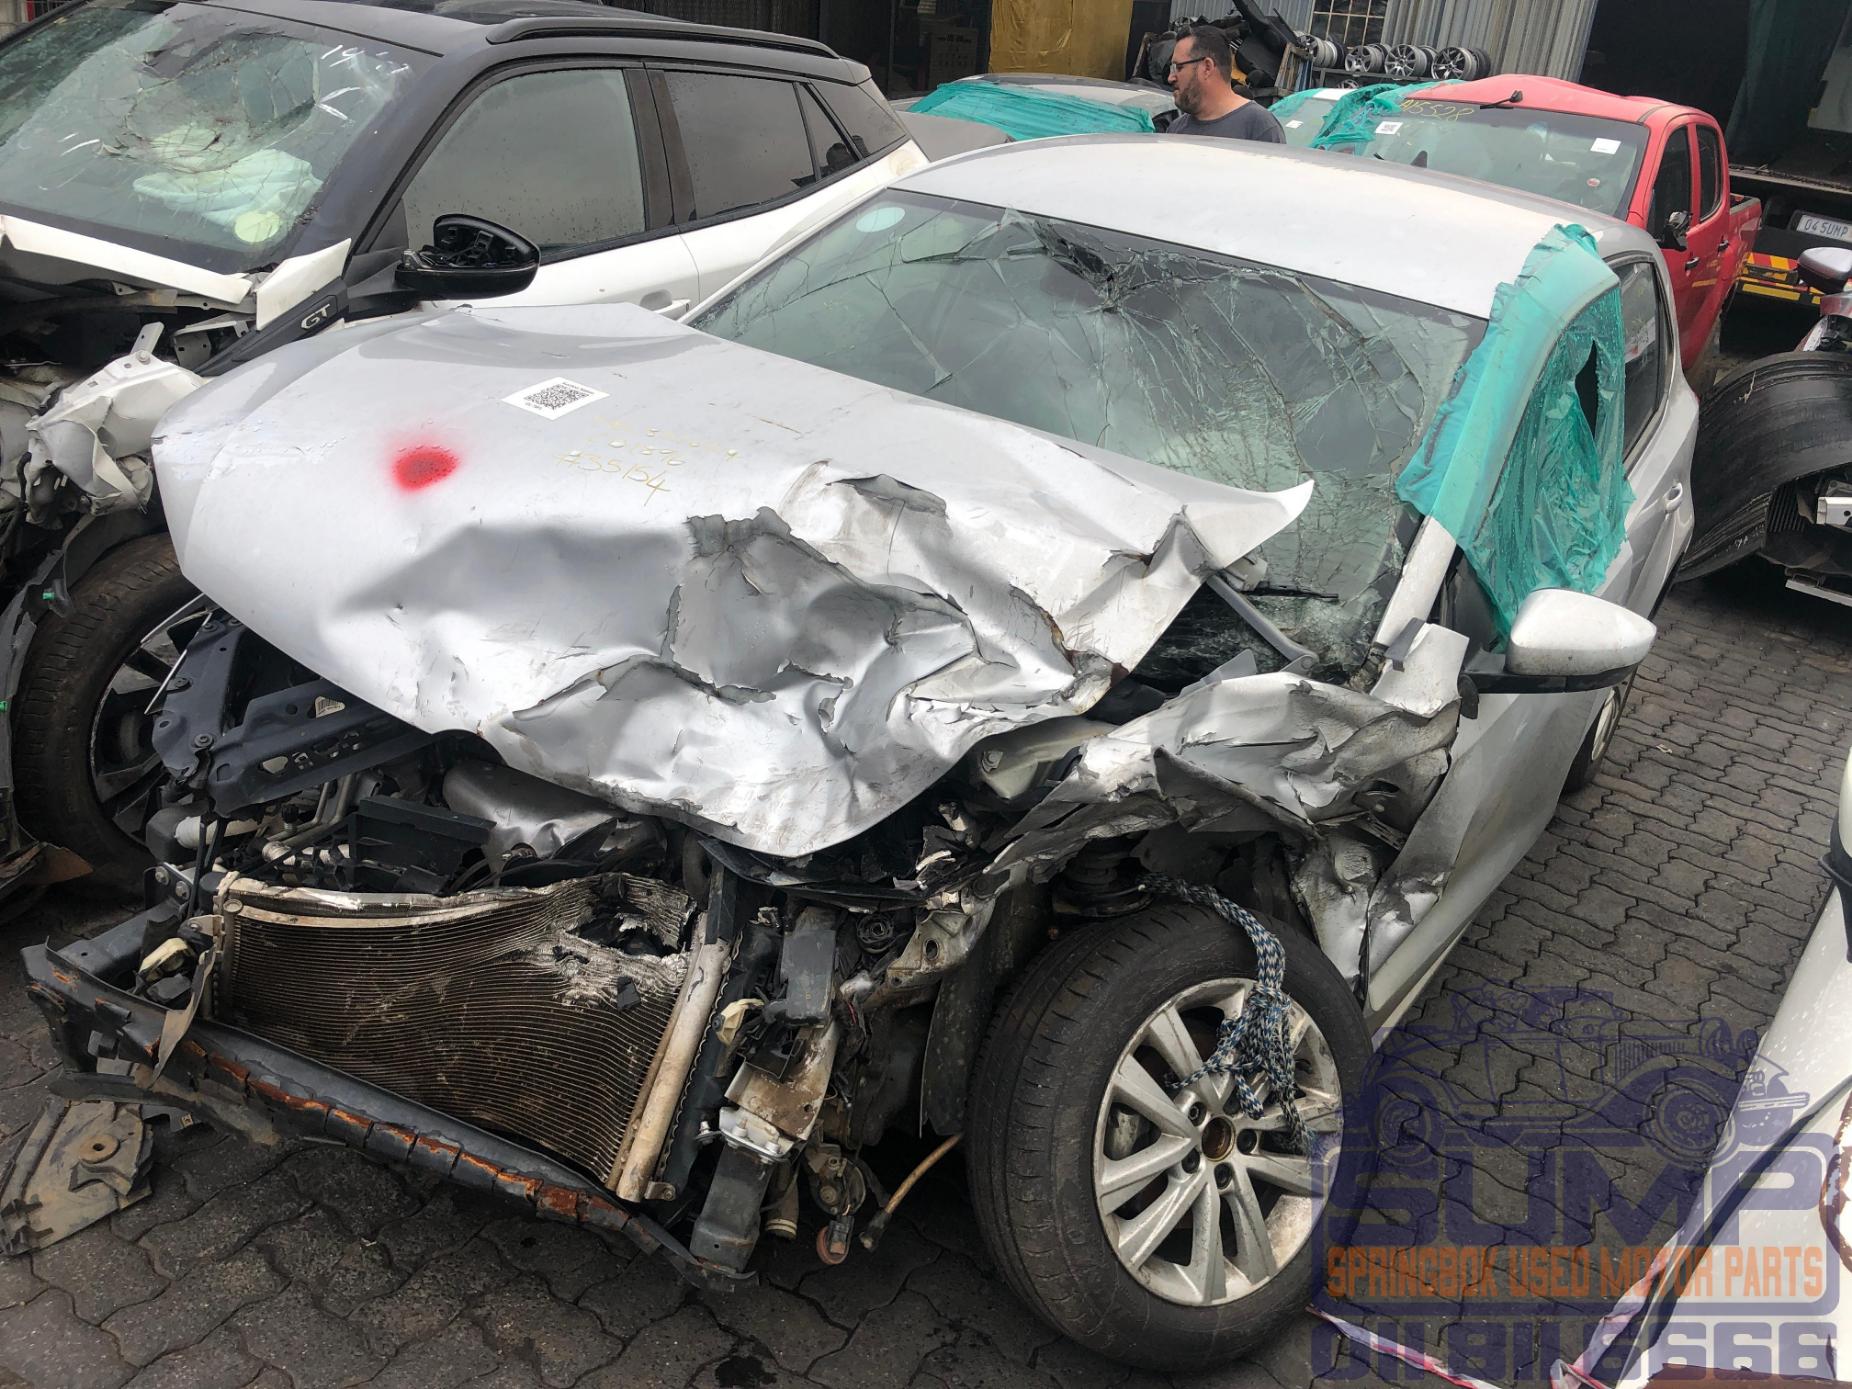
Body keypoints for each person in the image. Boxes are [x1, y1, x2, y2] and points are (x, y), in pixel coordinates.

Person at [1164, 25, 1285, 143]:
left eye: (1178, 67)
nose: (1170, 78)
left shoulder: (1260, 129)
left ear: (1207, 67)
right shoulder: (1176, 129)